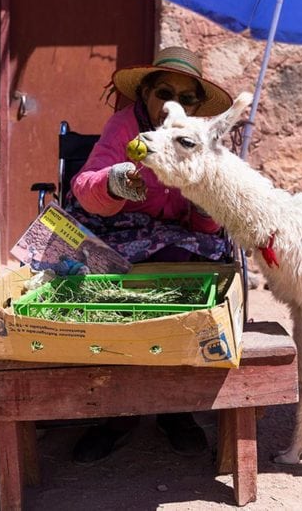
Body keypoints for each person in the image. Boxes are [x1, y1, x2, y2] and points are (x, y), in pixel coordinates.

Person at [64, 45, 234, 464]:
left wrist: (204, 204)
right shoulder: (123, 127)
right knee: (113, 285)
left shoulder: (198, 138)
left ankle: (175, 412)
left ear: (195, 106)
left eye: (186, 96)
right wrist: (115, 181)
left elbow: (210, 222)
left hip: (178, 239)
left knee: (187, 278)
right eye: (163, 91)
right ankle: (117, 416)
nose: (172, 103)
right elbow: (85, 188)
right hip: (120, 232)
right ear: (145, 95)